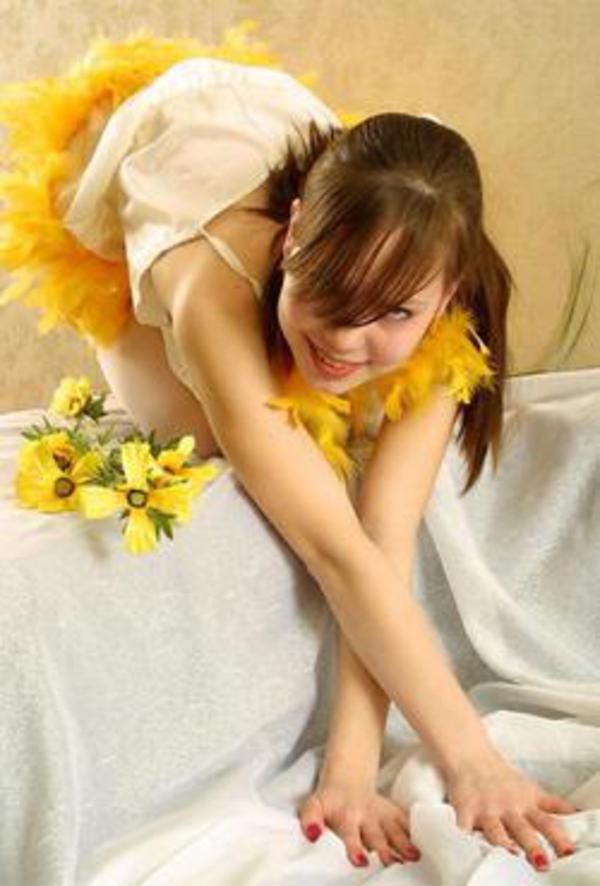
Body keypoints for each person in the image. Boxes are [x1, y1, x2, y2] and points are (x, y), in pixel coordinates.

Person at [0, 29, 578, 874]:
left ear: (447, 293)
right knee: (202, 432)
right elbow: (331, 550)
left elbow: (380, 537)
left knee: (337, 406)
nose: (343, 341)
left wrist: (355, 771)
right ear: (296, 231)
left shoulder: (443, 299)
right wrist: (470, 759)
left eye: (393, 313)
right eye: (329, 295)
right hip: (167, 158)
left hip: (319, 196)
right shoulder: (209, 286)